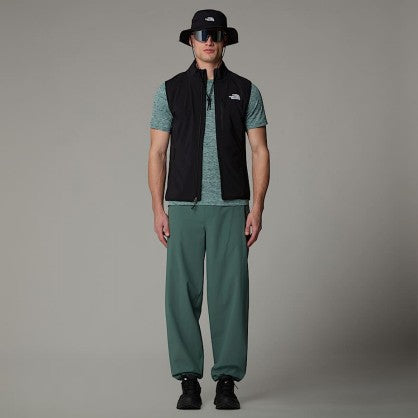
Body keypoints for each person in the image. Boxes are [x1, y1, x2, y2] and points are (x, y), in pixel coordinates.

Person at [148, 9, 270, 410]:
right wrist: (158, 208)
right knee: (180, 295)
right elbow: (157, 152)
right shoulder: (169, 91)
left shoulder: (246, 91)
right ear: (191, 40)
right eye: (202, 34)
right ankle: (188, 380)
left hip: (232, 207)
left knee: (230, 294)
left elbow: (260, 150)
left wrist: (257, 208)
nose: (209, 41)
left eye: (215, 34)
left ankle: (227, 381)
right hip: (184, 207)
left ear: (224, 40)